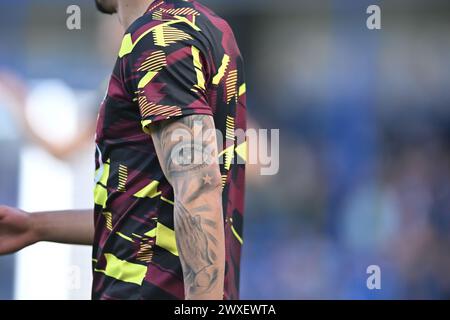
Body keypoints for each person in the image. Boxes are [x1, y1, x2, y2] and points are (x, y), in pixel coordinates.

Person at [0, 0, 246, 300]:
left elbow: (197, 188)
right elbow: (150, 214)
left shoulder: (157, 39)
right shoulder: (208, 27)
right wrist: (35, 227)